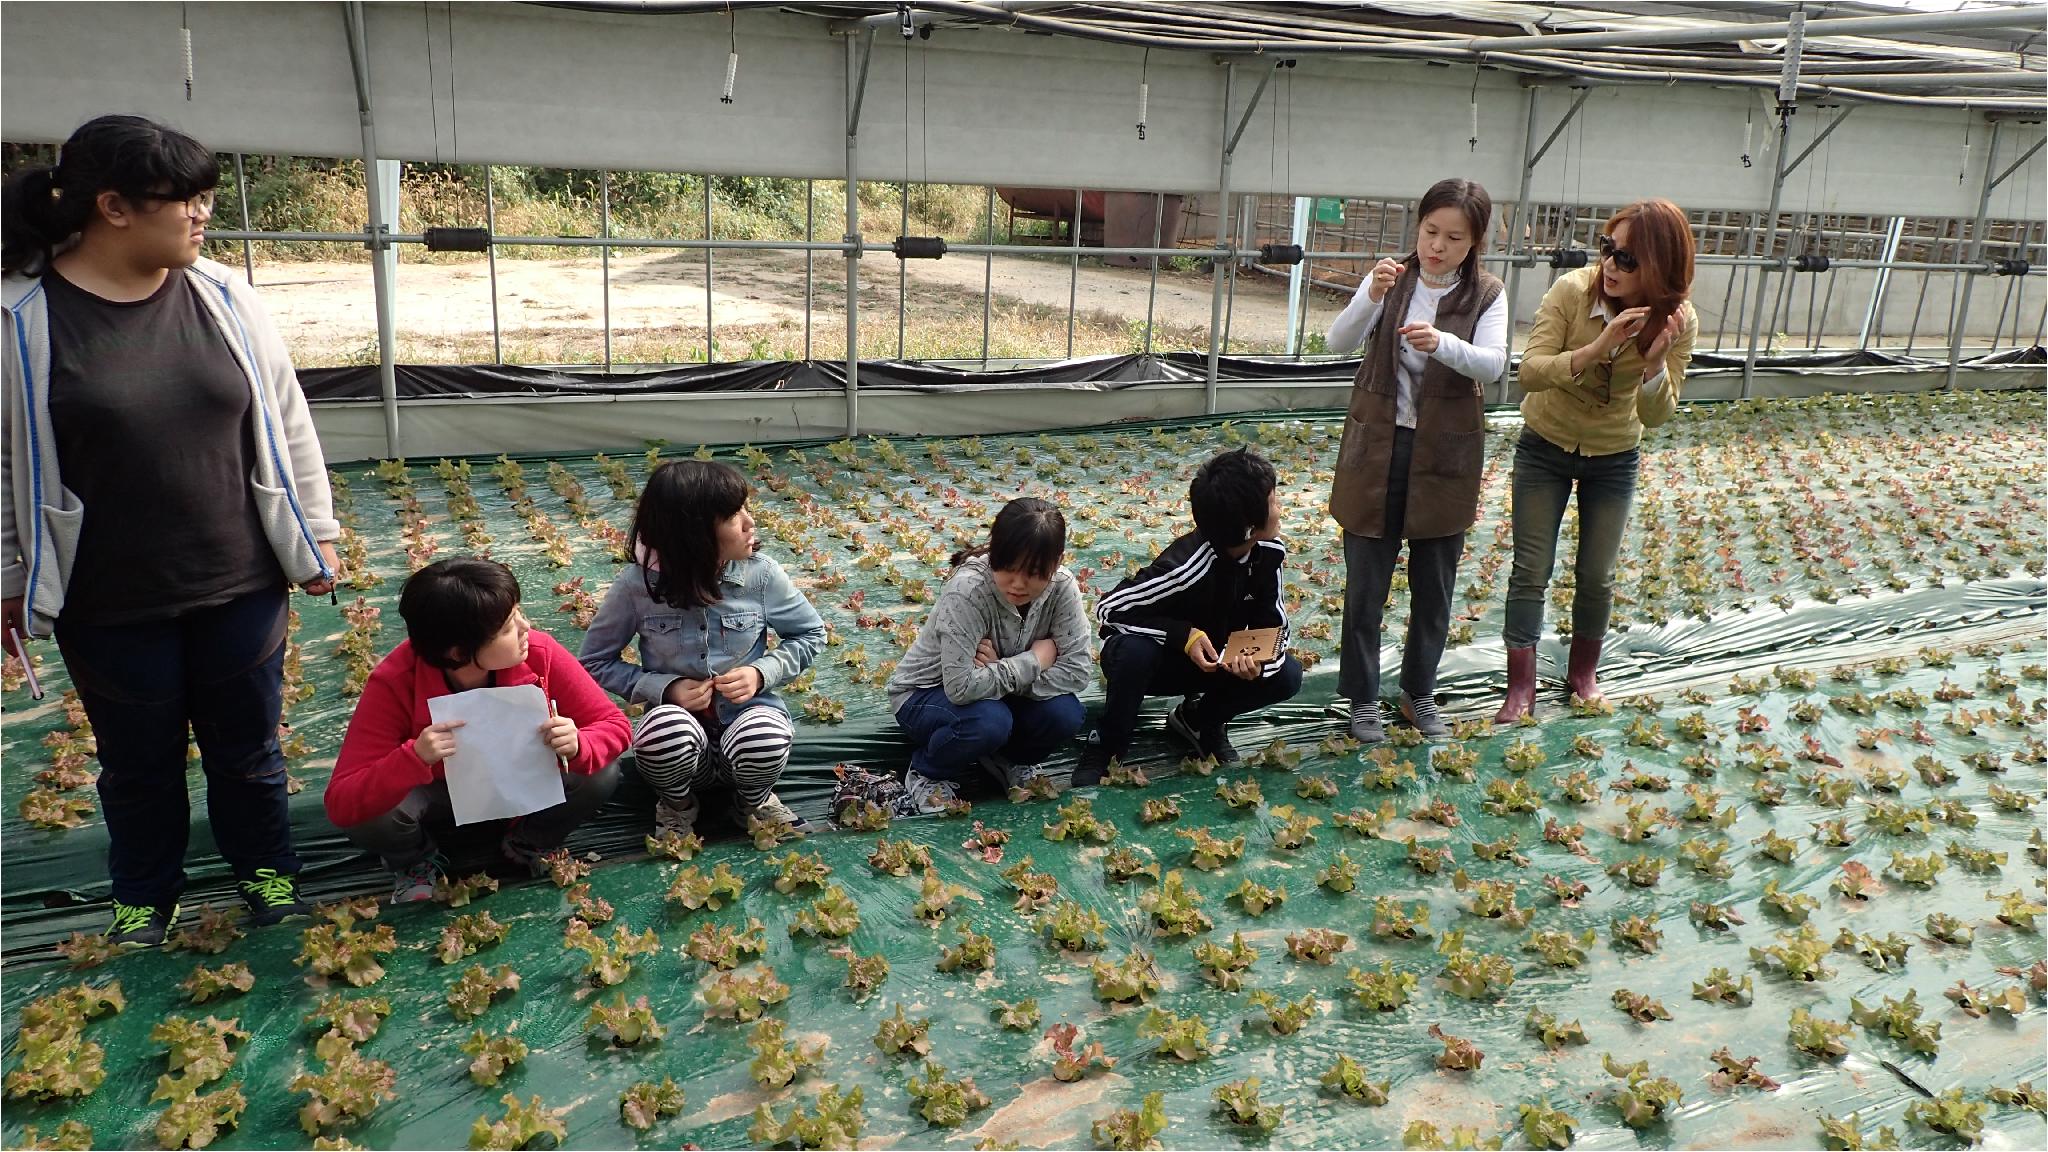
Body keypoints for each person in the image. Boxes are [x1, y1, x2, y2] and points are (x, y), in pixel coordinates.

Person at [2, 115, 340, 946]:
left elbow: (285, 416)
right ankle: (145, 895)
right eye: (183, 201)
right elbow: (3, 463)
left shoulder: (224, 295)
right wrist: (10, 578)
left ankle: (267, 873)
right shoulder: (22, 318)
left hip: (240, 577)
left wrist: (318, 530)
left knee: (250, 751)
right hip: (108, 596)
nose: (200, 216)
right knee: (137, 763)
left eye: (206, 199)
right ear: (113, 207)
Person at [1497, 198, 1698, 722]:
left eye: (1628, 259)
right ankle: (1520, 689)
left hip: (1613, 456)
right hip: (1546, 446)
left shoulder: (1679, 321)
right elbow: (1531, 371)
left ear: (1659, 267)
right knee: (1531, 570)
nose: (1611, 264)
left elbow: (1657, 416)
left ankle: (1583, 676)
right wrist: (1598, 348)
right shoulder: (1570, 291)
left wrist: (1653, 366)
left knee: (1597, 575)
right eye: (1608, 249)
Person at [328, 559, 628, 901]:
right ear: (457, 651)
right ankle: (414, 861)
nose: (525, 627)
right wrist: (412, 758)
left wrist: (579, 743)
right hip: (440, 796)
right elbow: (341, 801)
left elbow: (615, 725)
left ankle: (530, 840)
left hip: (524, 784)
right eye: (506, 628)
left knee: (601, 772)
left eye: (519, 613)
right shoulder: (396, 681)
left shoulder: (540, 653)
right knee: (370, 814)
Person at [1325, 178, 1508, 742]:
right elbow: (1337, 341)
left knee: (1434, 588)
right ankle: (1361, 700)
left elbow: (1494, 364)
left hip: (1444, 454)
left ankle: (1418, 693)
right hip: (1378, 446)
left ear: (1474, 242)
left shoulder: (1486, 294)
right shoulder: (1391, 279)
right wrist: (1369, 297)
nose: (1437, 246)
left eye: (1454, 237)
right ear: (1419, 226)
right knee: (1366, 588)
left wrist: (1442, 344)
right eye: (1431, 231)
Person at [581, 460, 823, 836]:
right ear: (693, 533)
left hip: (743, 728)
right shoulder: (636, 586)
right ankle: (677, 804)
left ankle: (752, 802)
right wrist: (665, 689)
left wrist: (762, 673)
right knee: (663, 729)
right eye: (732, 515)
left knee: (765, 733)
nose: (749, 522)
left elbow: (810, 634)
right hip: (682, 747)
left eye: (745, 508)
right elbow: (594, 661)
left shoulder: (761, 574)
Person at [1080, 448, 1303, 782]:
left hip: (1214, 661)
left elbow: (1274, 627)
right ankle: (1107, 745)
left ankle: (1201, 720)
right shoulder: (1187, 567)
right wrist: (1182, 635)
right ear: (1247, 526)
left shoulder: (1267, 554)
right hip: (1158, 662)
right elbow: (1109, 610)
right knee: (1134, 653)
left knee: (1286, 674)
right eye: (1274, 502)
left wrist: (1254, 662)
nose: (1280, 508)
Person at [886, 498, 1093, 810]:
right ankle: (926, 772)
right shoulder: (968, 590)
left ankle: (1008, 760)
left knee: (1066, 714)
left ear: (1057, 561)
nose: (1019, 584)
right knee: (989, 721)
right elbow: (960, 687)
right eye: (1009, 568)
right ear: (995, 552)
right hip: (926, 694)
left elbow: (1078, 671)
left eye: (1035, 573)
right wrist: (1034, 661)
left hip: (995, 692)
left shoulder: (1062, 588)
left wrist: (1001, 670)